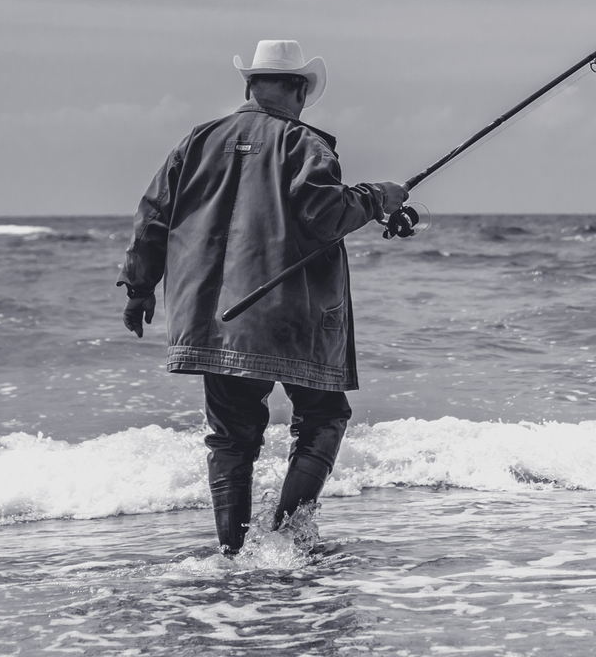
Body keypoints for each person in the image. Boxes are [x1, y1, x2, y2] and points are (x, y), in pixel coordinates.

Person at [116, 40, 417, 555]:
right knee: (324, 417)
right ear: (298, 89)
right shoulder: (304, 144)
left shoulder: (197, 141)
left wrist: (139, 287)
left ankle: (235, 556)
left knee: (231, 437)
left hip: (212, 318)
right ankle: (286, 538)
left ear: (249, 86)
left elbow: (153, 218)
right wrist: (375, 198)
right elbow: (325, 216)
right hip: (289, 313)